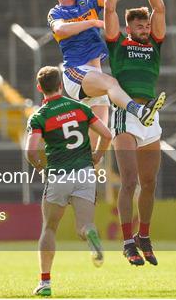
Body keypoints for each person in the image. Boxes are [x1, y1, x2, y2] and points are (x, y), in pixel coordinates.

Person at [47, 0, 165, 151]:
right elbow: (61, 29)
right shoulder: (57, 12)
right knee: (112, 84)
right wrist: (92, 21)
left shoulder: (87, 3)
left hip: (94, 76)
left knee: (98, 141)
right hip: (76, 73)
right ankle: (139, 111)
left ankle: (90, 169)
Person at [25, 66, 112, 297]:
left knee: (49, 228)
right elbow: (107, 134)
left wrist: (41, 168)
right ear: (61, 85)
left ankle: (45, 283)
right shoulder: (81, 108)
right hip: (84, 172)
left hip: (58, 175)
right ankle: (90, 233)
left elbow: (31, 152)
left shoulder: (40, 116)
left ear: (39, 88)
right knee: (84, 225)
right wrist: (98, 155)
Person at [103, 0, 166, 266]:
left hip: (151, 116)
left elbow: (159, 8)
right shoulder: (119, 43)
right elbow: (110, 7)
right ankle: (127, 242)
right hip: (124, 115)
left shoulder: (154, 43)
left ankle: (144, 235)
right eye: (139, 26)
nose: (144, 29)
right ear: (130, 28)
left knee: (150, 182)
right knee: (129, 181)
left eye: (145, 25)